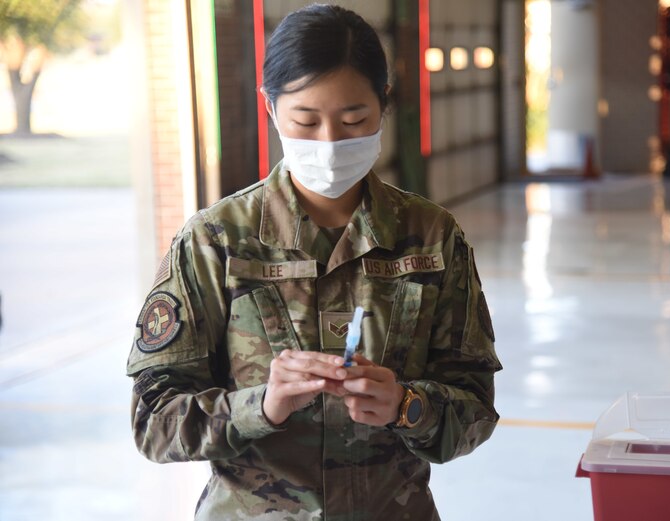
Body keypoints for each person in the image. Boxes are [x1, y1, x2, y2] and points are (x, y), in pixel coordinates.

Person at [126, 4, 501, 520]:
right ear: (271, 109)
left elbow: (475, 406)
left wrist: (406, 406)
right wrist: (261, 405)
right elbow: (155, 421)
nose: (329, 143)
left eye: (354, 120)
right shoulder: (216, 241)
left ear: (383, 107)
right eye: (305, 120)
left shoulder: (431, 238)